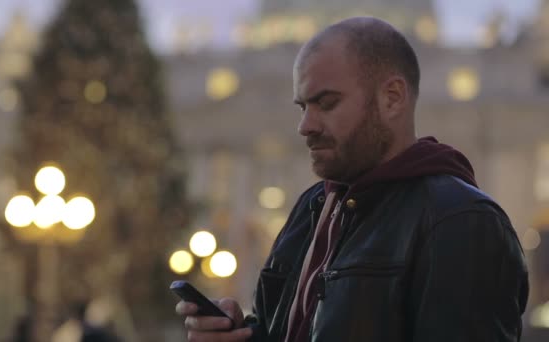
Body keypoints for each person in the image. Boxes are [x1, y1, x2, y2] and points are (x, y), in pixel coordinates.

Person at [175, 16, 529, 341]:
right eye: (303, 107)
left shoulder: (461, 220)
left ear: (392, 98)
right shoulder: (312, 208)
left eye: (326, 103)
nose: (305, 126)